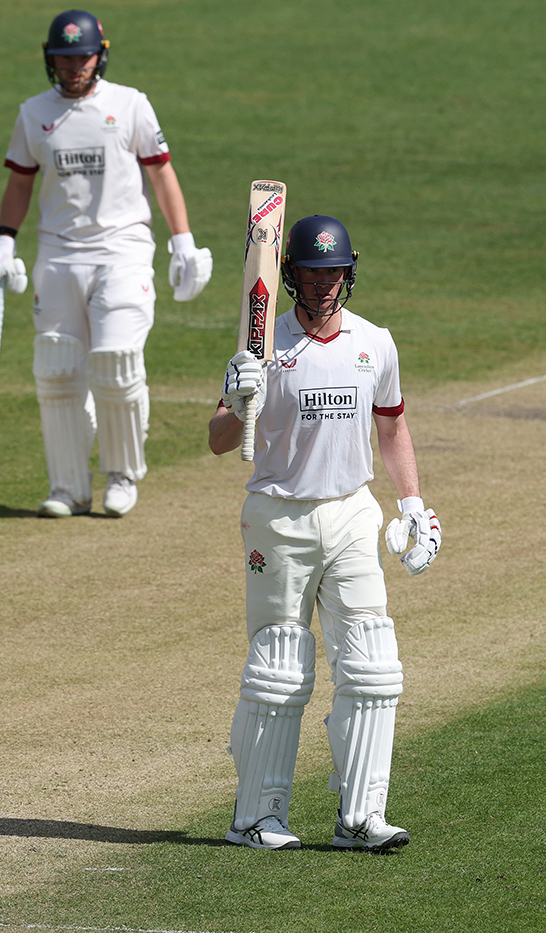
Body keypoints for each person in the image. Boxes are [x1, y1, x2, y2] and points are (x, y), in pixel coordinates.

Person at [209, 216, 441, 851]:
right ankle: (257, 818)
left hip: (353, 512)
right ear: (290, 277)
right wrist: (237, 394)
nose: (323, 285)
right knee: (280, 670)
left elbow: (391, 428)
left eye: (333, 272)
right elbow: (218, 440)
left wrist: (413, 503)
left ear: (349, 272)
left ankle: (360, 817)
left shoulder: (375, 343)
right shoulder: (262, 348)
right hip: (278, 517)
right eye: (311, 273)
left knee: (372, 667)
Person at [0, 9, 213, 519]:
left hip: (123, 250)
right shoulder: (34, 112)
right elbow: (20, 182)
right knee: (57, 370)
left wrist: (183, 241)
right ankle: (68, 488)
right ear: (50, 60)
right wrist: (3, 243)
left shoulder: (130, 105)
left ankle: (122, 474)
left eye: (81, 58)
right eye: (64, 59)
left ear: (99, 55)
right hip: (59, 254)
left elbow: (162, 175)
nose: (73, 68)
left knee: (115, 361)